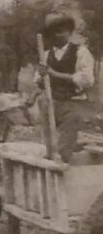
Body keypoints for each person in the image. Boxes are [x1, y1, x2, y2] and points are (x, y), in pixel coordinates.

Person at [36, 12, 96, 162]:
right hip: (51, 100)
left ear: (69, 32)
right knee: (49, 140)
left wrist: (54, 74)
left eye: (61, 31)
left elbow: (87, 79)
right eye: (53, 32)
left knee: (65, 144)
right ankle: (50, 158)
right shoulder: (46, 54)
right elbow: (38, 81)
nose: (57, 35)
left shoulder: (81, 52)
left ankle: (64, 163)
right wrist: (42, 76)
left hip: (72, 101)